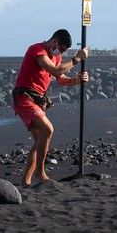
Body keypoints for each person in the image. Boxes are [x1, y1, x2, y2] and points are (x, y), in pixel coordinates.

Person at [12, 29, 89, 187]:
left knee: (40, 139)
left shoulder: (56, 57)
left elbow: (60, 78)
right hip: (24, 98)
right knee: (48, 129)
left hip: (37, 100)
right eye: (60, 48)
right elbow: (55, 70)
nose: (60, 52)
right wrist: (76, 59)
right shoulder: (37, 50)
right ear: (54, 41)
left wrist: (77, 80)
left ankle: (25, 181)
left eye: (64, 51)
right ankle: (41, 173)